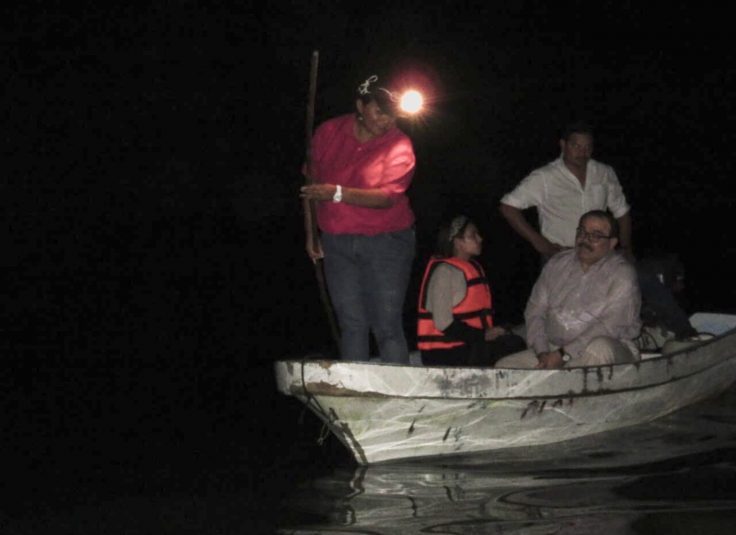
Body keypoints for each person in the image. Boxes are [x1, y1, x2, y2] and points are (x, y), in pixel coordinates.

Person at [499, 120, 696, 340]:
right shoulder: (544, 177)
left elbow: (622, 212)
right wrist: (538, 242)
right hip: (561, 253)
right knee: (557, 309)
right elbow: (508, 206)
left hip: (602, 252)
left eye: (587, 147)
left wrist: (626, 247)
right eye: (576, 145)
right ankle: (543, 348)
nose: (582, 152)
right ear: (563, 145)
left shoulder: (604, 172)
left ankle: (686, 334)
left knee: (643, 279)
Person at [299, 74, 416, 363]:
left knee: (386, 324)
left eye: (392, 115)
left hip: (387, 243)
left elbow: (386, 197)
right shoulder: (328, 132)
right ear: (361, 106)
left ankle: (398, 397)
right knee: (352, 324)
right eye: (379, 112)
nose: (386, 120)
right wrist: (311, 236)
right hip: (337, 243)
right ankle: (358, 396)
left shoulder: (400, 145)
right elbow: (310, 187)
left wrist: (337, 193)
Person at [495, 210, 642, 369]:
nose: (585, 239)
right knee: (505, 367)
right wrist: (542, 352)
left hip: (605, 351)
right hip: (553, 349)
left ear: (612, 243)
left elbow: (610, 326)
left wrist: (565, 354)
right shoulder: (556, 264)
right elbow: (535, 311)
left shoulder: (622, 273)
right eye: (582, 232)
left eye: (596, 235)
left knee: (599, 349)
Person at [416, 215, 526, 366]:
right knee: (515, 344)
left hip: (465, 346)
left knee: (512, 337)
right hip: (445, 354)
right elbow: (443, 323)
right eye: (473, 235)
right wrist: (484, 335)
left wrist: (491, 332)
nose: (480, 239)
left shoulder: (471, 267)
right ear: (458, 242)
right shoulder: (445, 272)